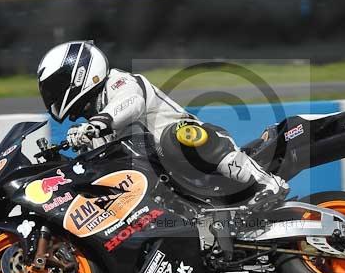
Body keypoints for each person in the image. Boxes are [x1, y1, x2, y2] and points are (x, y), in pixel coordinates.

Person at [36, 40, 289, 206]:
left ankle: (265, 183)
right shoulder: (94, 129)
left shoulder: (120, 83)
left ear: (80, 74)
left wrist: (94, 127)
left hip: (194, 155)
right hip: (163, 188)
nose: (54, 96)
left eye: (56, 87)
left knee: (177, 135)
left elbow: (130, 104)